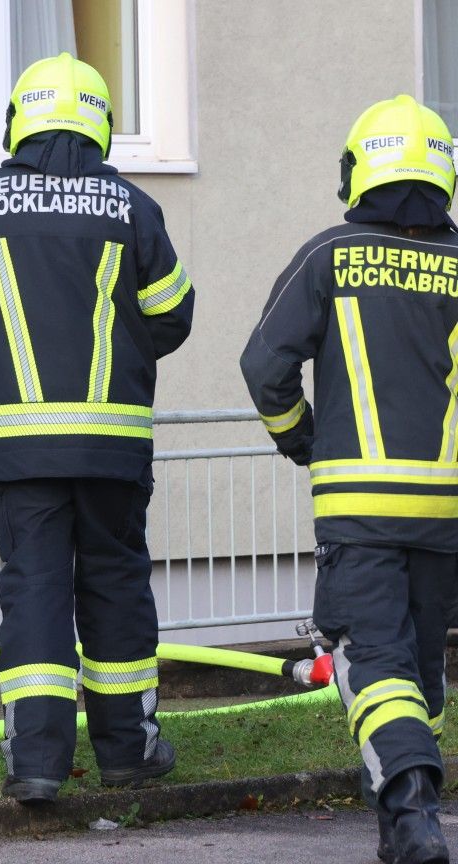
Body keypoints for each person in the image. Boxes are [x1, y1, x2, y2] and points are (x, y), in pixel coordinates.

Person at [0, 52, 193, 803]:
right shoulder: (132, 207)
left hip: (19, 447)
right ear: (101, 122)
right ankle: (128, 753)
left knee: (33, 594)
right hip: (112, 446)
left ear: (17, 121)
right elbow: (173, 314)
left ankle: (36, 764)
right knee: (116, 588)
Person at [240, 95, 458, 864]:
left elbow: (265, 364)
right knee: (419, 671)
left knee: (373, 662)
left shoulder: (330, 254)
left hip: (359, 509)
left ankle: (413, 819)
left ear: (361, 171)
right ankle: (403, 823)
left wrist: (298, 436)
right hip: (445, 514)